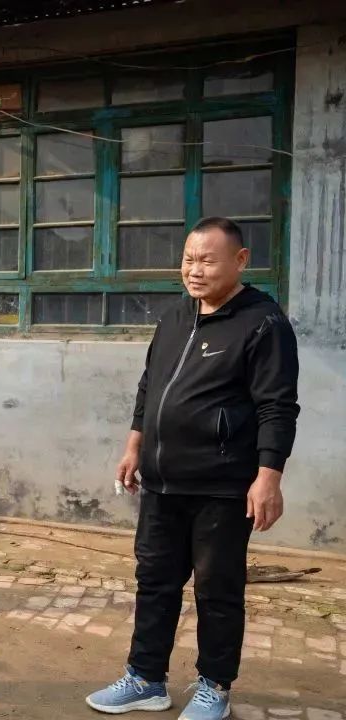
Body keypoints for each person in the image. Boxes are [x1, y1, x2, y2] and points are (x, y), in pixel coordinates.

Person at [86, 217, 300, 720]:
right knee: (154, 580)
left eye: (207, 260)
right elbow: (150, 386)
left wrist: (268, 477)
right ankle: (145, 679)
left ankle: (215, 687)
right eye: (188, 259)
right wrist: (134, 446)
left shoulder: (263, 324)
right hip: (163, 482)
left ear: (240, 261)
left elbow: (277, 406)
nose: (194, 270)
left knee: (216, 589)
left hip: (222, 487)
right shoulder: (175, 316)